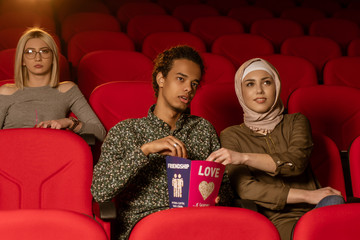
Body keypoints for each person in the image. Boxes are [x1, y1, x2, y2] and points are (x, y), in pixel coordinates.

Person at [91, 45, 233, 240]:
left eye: (194, 83)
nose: (188, 89)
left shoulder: (203, 129)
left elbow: (224, 186)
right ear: (161, 79)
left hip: (197, 224)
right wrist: (145, 151)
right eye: (181, 79)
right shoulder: (126, 131)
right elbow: (100, 190)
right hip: (149, 224)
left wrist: (219, 198)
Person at [206, 58, 344, 240]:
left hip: (316, 210)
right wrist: (308, 195)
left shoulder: (296, 121)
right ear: (240, 91)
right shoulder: (231, 135)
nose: (259, 90)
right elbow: (246, 189)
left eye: (266, 82)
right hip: (274, 220)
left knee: (335, 202)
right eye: (249, 84)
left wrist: (244, 157)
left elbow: (296, 162)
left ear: (276, 86)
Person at [0, 28, 106, 141]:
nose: (37, 58)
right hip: (11, 153)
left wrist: (69, 123)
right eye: (30, 52)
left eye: (44, 51)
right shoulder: (6, 91)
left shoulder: (67, 90)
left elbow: (100, 132)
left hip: (51, 154)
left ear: (53, 58)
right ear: (22, 60)